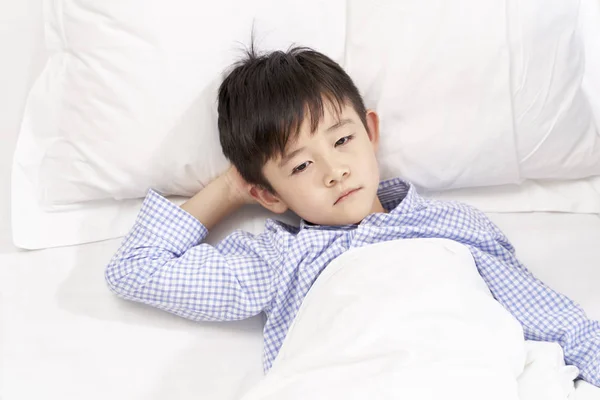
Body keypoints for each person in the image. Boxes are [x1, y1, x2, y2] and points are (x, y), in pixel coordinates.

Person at [105, 44, 600, 385]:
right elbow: (137, 270)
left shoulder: (454, 226)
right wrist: (230, 189)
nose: (334, 171)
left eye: (342, 140)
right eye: (300, 165)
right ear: (269, 193)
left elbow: (560, 324)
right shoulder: (279, 256)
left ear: (371, 132)